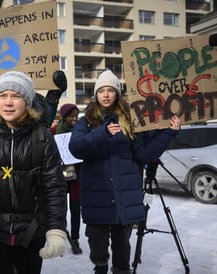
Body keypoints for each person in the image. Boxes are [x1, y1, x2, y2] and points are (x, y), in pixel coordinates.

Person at [68, 69, 181, 274]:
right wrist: (102, 133)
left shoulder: (131, 120)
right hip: (97, 198)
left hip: (124, 197)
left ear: (117, 93)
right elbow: (76, 148)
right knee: (98, 249)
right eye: (101, 90)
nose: (106, 94)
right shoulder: (86, 121)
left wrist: (169, 132)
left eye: (110, 90)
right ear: (96, 94)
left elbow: (144, 153)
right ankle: (100, 269)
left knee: (122, 251)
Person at [0, 71, 68, 274]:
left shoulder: (42, 136)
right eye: (3, 96)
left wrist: (56, 230)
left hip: (32, 231)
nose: (8, 102)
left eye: (16, 96)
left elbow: (53, 187)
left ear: (27, 102)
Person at [54, 103, 82, 255]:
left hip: (77, 174)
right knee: (61, 209)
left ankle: (75, 239)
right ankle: (61, 238)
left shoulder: (80, 131)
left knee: (76, 208)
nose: (75, 119)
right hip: (61, 174)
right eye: (72, 116)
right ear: (64, 117)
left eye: (76, 116)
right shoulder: (54, 130)